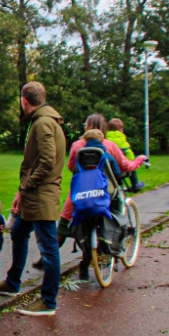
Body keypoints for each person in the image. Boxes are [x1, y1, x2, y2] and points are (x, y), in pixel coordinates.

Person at [0, 82, 66, 317]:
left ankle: (48, 301)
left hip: (42, 196)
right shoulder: (46, 120)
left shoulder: (44, 123)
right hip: (32, 195)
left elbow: (47, 162)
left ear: (24, 100)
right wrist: (21, 192)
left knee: (48, 248)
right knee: (18, 232)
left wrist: (26, 185)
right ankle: (13, 282)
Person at [57, 114, 147, 281]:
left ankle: (51, 261)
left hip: (82, 194)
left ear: (87, 127)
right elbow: (125, 166)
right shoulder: (110, 146)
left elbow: (71, 167)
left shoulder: (77, 146)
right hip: (106, 194)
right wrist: (140, 159)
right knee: (116, 217)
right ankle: (116, 249)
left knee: (67, 225)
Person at [106, 118, 145, 192]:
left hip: (109, 167)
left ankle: (118, 186)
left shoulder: (106, 138)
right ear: (121, 129)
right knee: (132, 167)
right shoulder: (122, 139)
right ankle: (135, 185)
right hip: (122, 167)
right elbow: (130, 156)